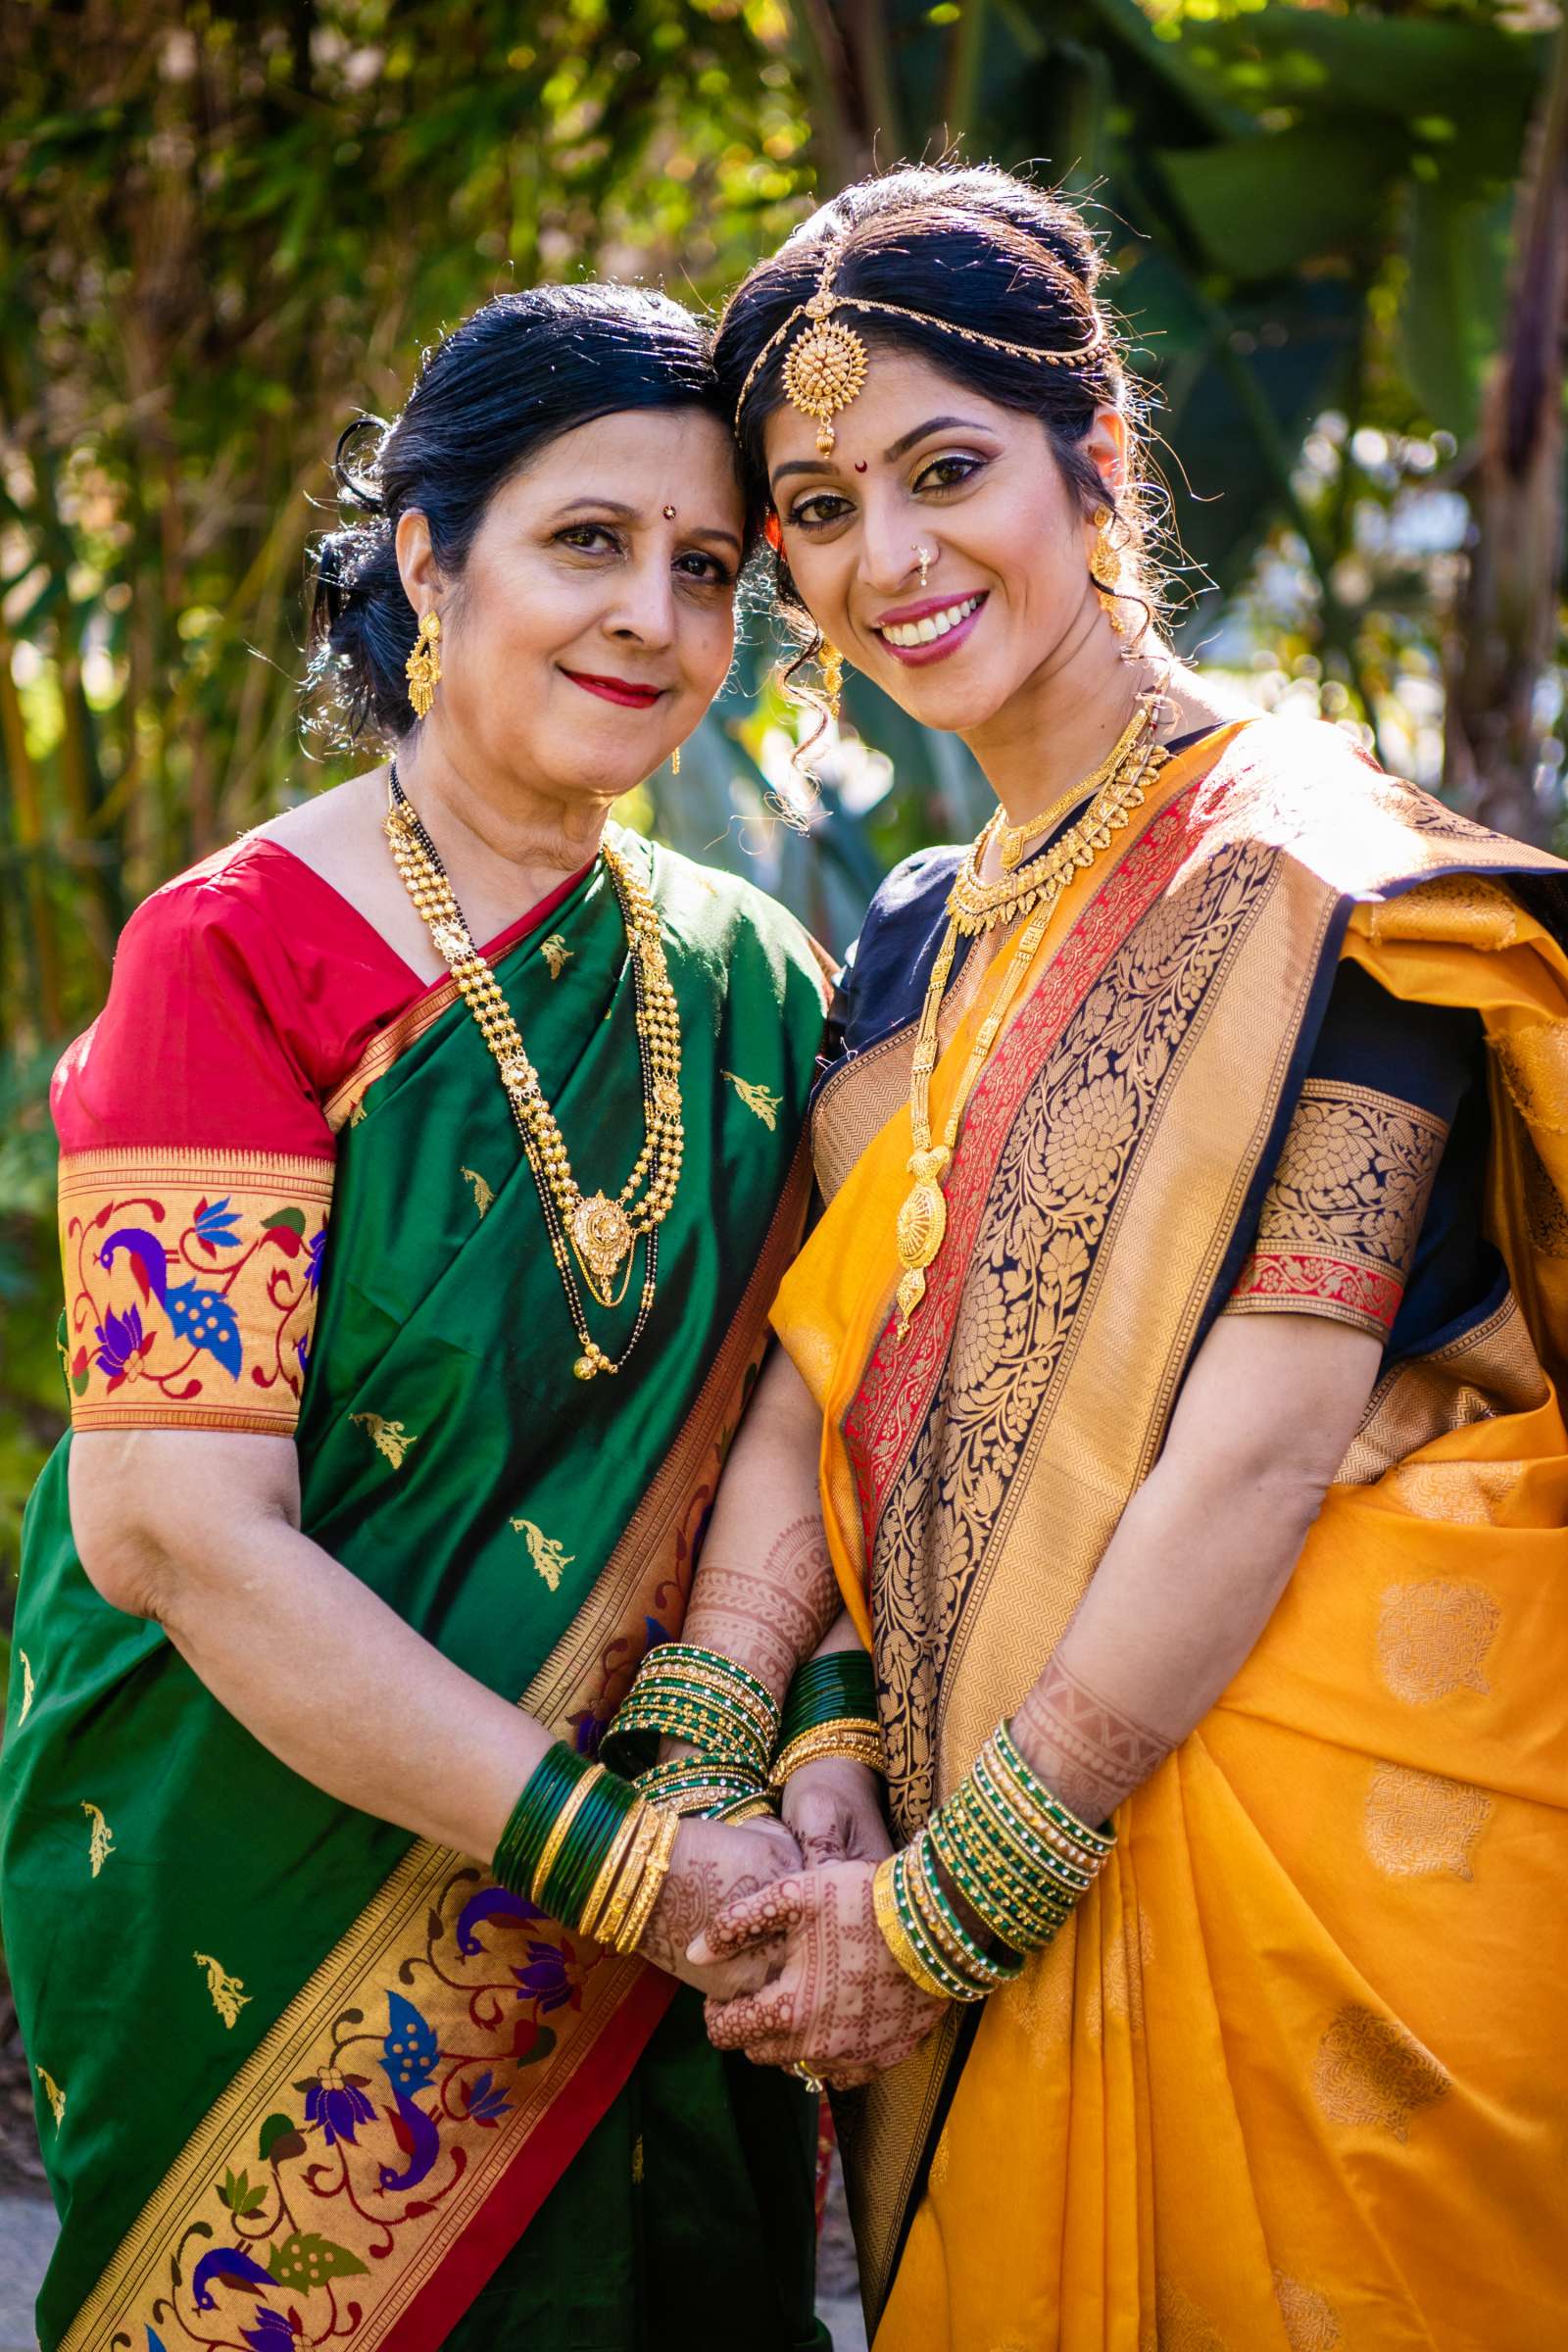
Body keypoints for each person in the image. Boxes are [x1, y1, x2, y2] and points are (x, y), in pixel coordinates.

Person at [622, 166, 1568, 2349]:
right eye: (820, 511)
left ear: (1096, 457)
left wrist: (942, 1909)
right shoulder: (899, 944)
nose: (892, 561)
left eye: (946, 472)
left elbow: (1264, 1429)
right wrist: (776, 1748)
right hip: (960, 1847)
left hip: (1313, 1858)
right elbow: (816, 1387)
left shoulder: (1337, 890)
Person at [0, 284, 840, 2352]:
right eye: (585, 541)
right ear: (427, 559)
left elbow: (816, 1406)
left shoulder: (756, 976)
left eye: (707, 567)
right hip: (272, 1892)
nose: (651, 614)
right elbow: (174, 1534)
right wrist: (621, 1870)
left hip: (681, 1894)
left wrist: (795, 1757)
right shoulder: (234, 958)